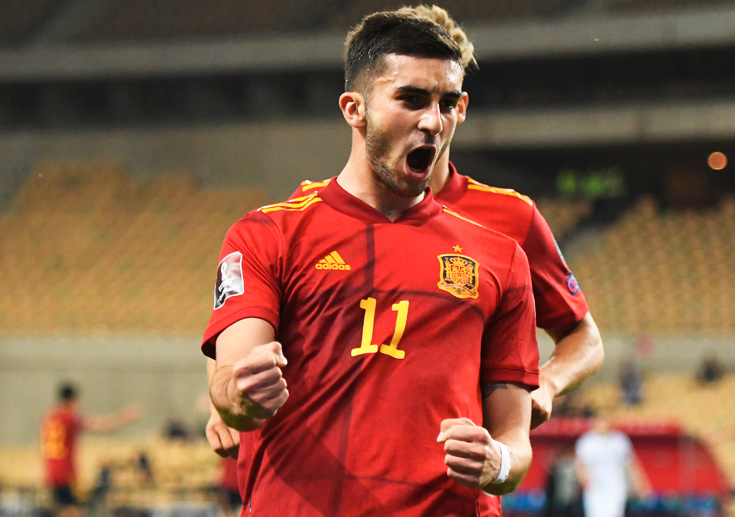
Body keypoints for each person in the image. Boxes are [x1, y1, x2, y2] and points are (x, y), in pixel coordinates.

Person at [203, 8, 540, 516]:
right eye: (410, 99)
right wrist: (241, 395)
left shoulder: (500, 258)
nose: (433, 121)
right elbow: (229, 388)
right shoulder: (268, 235)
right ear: (354, 109)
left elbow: (515, 439)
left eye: (447, 103)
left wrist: (496, 461)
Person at [40, 382, 142, 517]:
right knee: (73, 511)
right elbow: (101, 426)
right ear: (75, 399)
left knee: (64, 509)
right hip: (65, 473)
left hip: (51, 470)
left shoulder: (50, 416)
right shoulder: (69, 417)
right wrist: (125, 416)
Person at [574, 413, 650, 517]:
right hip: (595, 489)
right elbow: (580, 464)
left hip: (616, 487)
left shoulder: (620, 441)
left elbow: (631, 463)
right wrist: (584, 480)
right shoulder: (586, 442)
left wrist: (639, 483)